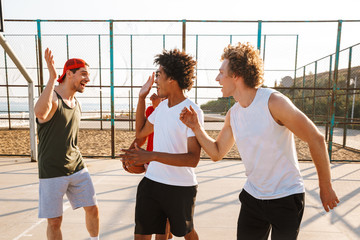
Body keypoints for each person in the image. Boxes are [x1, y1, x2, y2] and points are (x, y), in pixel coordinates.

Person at [179, 42, 339, 240]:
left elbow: (315, 138)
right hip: (253, 198)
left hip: (286, 197)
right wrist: (196, 127)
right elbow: (217, 152)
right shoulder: (233, 114)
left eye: (221, 73)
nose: (217, 78)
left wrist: (326, 186)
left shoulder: (273, 102)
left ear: (236, 75)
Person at [121, 49, 204, 240]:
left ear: (172, 79)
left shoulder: (192, 111)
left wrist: (151, 155)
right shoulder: (162, 108)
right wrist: (141, 98)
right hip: (152, 182)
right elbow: (141, 132)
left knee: (187, 234)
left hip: (180, 187)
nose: (156, 80)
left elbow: (192, 159)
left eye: (159, 74)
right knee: (141, 235)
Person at [34, 48, 100, 240]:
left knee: (93, 209)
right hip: (52, 169)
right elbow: (40, 113)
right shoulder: (53, 97)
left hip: (77, 166)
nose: (87, 79)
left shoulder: (76, 102)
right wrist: (52, 78)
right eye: (84, 74)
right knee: (54, 222)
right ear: (69, 74)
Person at [126, 93, 173, 240]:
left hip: (168, 166)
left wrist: (158, 106)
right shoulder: (151, 110)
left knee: (165, 214)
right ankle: (168, 229)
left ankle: (168, 230)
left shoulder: (177, 109)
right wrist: (130, 152)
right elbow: (142, 136)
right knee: (152, 210)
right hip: (151, 164)